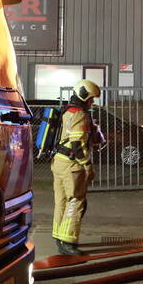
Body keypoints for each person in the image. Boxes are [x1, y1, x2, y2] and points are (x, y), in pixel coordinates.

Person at [51, 79, 102, 255]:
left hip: (59, 162)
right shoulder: (80, 114)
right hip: (72, 166)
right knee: (77, 201)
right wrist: (88, 166)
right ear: (84, 96)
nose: (92, 102)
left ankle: (59, 236)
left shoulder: (67, 111)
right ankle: (68, 242)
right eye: (91, 99)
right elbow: (77, 145)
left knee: (62, 202)